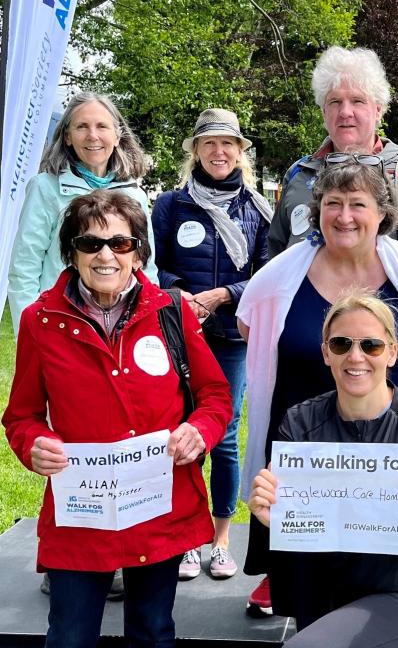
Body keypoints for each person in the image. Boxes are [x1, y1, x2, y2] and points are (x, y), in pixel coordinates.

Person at [2, 190, 232, 648]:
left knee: (152, 633)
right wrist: (33, 444)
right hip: (81, 513)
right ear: (71, 252)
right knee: (69, 636)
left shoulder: (170, 311)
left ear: (138, 252)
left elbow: (214, 395)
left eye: (120, 243)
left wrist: (199, 431)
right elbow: (22, 416)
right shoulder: (40, 321)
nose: (105, 254)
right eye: (90, 244)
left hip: (159, 504)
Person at [237, 158, 398, 615]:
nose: (344, 216)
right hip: (305, 451)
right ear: (317, 211)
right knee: (313, 590)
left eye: (357, 204)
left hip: (387, 447)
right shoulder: (279, 278)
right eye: (333, 204)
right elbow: (253, 333)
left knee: (383, 584)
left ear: (382, 214)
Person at [247, 290, 398, 648]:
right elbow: (300, 540)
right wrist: (273, 522)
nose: (356, 357)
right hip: (333, 591)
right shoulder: (299, 423)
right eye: (340, 344)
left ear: (393, 353)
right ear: (325, 353)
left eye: (371, 345)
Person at [152, 108, 272, 582]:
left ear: (240, 151)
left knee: (222, 436)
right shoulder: (170, 205)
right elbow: (150, 264)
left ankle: (220, 539)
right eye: (209, 144)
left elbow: (266, 272)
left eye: (228, 144)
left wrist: (224, 296)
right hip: (177, 333)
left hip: (232, 336)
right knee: (180, 433)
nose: (219, 152)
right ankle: (187, 540)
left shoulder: (259, 209)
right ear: (195, 151)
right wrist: (180, 294)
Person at [8, 92, 158, 335]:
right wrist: (30, 334)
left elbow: (146, 268)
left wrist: (149, 326)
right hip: (60, 325)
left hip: (119, 329)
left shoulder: (135, 196)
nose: (93, 136)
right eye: (82, 126)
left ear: (117, 135)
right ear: (67, 136)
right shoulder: (45, 188)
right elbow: (25, 268)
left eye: (102, 126)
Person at [267, 46, 398, 256]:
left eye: (357, 101)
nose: (345, 112)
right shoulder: (299, 173)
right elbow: (275, 257)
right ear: (323, 111)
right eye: (335, 102)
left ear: (378, 109)